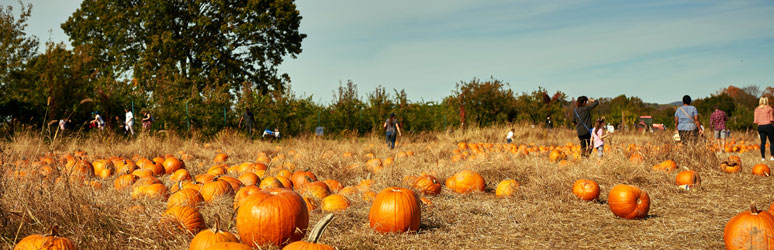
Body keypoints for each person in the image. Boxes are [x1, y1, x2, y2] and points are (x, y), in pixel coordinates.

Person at [754, 97, 774, 161]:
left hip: (760, 126)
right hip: (768, 126)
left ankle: (763, 157)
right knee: (772, 142)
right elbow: (771, 119)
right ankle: (772, 157)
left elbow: (755, 120)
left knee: (763, 142)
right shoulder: (769, 108)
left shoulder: (757, 109)